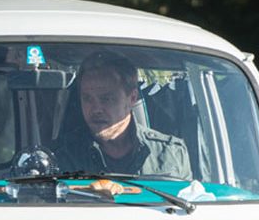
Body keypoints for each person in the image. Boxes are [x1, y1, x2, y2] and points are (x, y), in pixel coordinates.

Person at [52, 51, 191, 181]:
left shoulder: (170, 153)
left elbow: (193, 201)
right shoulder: (64, 156)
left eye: (106, 99)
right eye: (87, 98)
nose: (96, 109)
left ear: (132, 98)